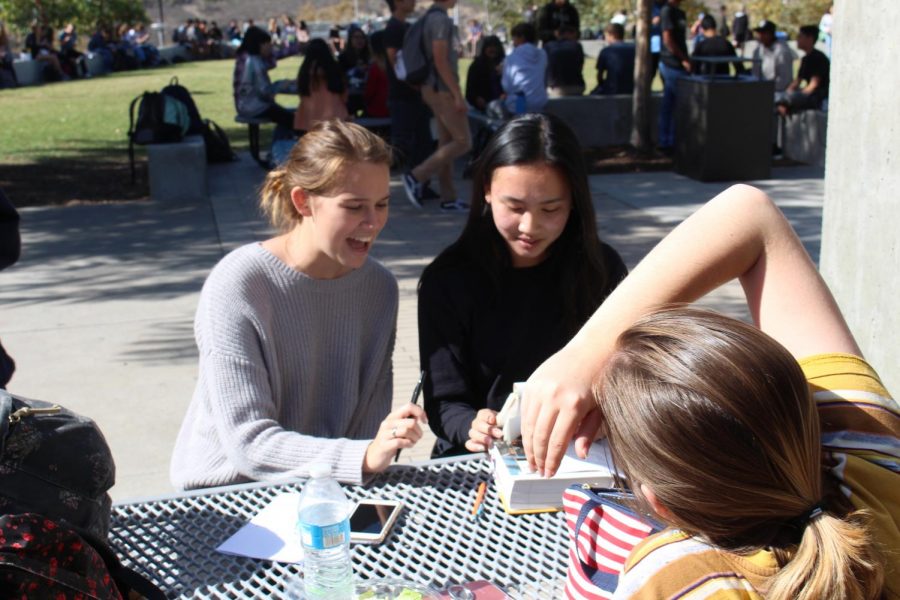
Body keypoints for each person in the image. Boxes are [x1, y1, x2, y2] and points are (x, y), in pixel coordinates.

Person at [520, 184, 898, 598]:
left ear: (659, 505)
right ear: (806, 409)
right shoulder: (872, 448)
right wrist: (587, 355)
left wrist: (581, 353)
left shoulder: (673, 581)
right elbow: (751, 215)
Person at [170, 120, 427, 489]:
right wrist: (363, 457)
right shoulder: (238, 283)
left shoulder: (380, 288)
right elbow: (249, 444)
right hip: (228, 493)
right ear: (303, 201)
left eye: (382, 204)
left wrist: (379, 445)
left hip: (328, 490)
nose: (372, 223)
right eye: (354, 207)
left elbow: (366, 427)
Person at [418, 113, 627, 458]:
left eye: (550, 208)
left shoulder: (601, 269)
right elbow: (444, 402)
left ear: (574, 200)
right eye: (514, 207)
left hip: (581, 454)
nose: (530, 226)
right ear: (486, 189)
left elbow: (627, 372)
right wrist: (471, 424)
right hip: (481, 461)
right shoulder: (447, 280)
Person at [401, 0, 472, 212]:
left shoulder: (426, 19)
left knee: (446, 142)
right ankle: (416, 176)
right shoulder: (440, 20)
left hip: (430, 88)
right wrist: (457, 94)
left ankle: (448, 197)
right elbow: (441, 60)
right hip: (442, 89)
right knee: (463, 141)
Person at [383, 0, 435, 176]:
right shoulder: (393, 28)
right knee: (402, 142)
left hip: (416, 94)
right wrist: (413, 84)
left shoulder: (407, 26)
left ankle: (419, 181)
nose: (413, 2)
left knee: (424, 142)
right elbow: (394, 59)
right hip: (403, 96)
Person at [233, 26, 295, 131]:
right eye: (268, 44)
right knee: (293, 120)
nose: (271, 47)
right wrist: (282, 85)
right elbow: (264, 91)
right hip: (254, 107)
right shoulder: (255, 62)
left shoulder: (249, 59)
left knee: (286, 116)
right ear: (260, 45)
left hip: (245, 105)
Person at [294, 38, 350, 133]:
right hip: (336, 116)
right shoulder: (335, 71)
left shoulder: (304, 73)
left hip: (308, 119)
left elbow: (301, 94)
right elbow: (345, 96)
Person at [657, 0, 690, 153]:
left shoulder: (680, 13)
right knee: (672, 104)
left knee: (673, 102)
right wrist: (683, 59)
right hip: (671, 63)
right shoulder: (666, 11)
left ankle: (670, 140)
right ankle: (667, 141)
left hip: (680, 64)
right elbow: (667, 38)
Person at [495, 22, 548, 114]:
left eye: (514, 37)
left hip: (520, 103)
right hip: (540, 101)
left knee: (493, 107)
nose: (513, 41)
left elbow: (507, 86)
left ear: (521, 37)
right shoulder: (543, 54)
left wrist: (503, 71)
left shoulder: (511, 57)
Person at [777, 24, 829, 114]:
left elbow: (813, 85)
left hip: (819, 98)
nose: (797, 39)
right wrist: (785, 94)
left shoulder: (818, 58)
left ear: (810, 38)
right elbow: (797, 81)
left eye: (800, 36)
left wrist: (791, 98)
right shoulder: (805, 59)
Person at [752, 20, 794, 96]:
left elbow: (784, 80)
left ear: (771, 34)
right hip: (759, 90)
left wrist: (767, 89)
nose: (760, 36)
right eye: (759, 33)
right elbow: (755, 73)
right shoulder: (758, 50)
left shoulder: (782, 51)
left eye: (764, 33)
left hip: (777, 93)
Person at [465, 35, 504, 112]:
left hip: (502, 105)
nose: (493, 49)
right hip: (481, 107)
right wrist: (476, 98)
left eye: (495, 47)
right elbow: (470, 89)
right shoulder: (476, 65)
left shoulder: (505, 64)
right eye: (489, 46)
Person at [593, 23, 635, 95]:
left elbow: (599, 76)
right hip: (633, 88)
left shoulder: (606, 51)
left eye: (605, 35)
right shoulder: (634, 49)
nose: (605, 38)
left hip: (613, 89)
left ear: (612, 35)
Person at [544, 24, 585, 97]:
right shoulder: (577, 46)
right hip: (576, 86)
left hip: (554, 87)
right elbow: (580, 66)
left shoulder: (548, 46)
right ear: (569, 33)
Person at [363, 30, 389, 118]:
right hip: (393, 108)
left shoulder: (376, 67)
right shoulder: (393, 63)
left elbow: (369, 92)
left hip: (378, 109)